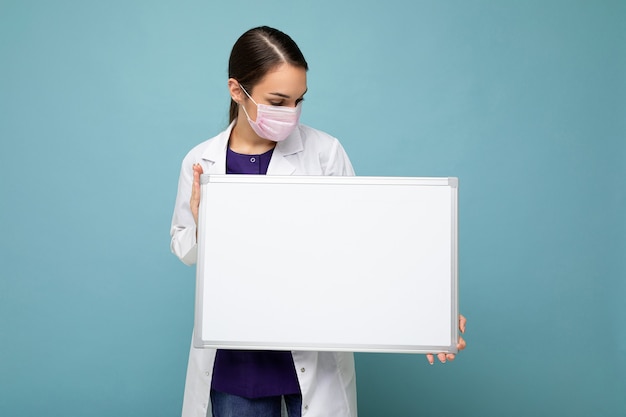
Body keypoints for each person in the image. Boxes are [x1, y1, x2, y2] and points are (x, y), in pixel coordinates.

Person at [170, 26, 467, 417]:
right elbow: (184, 248)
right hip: (236, 364)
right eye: (278, 101)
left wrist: (428, 314)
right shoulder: (201, 160)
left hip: (311, 358)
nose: (290, 113)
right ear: (236, 90)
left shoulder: (325, 153)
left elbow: (362, 250)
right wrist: (204, 224)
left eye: (298, 101)